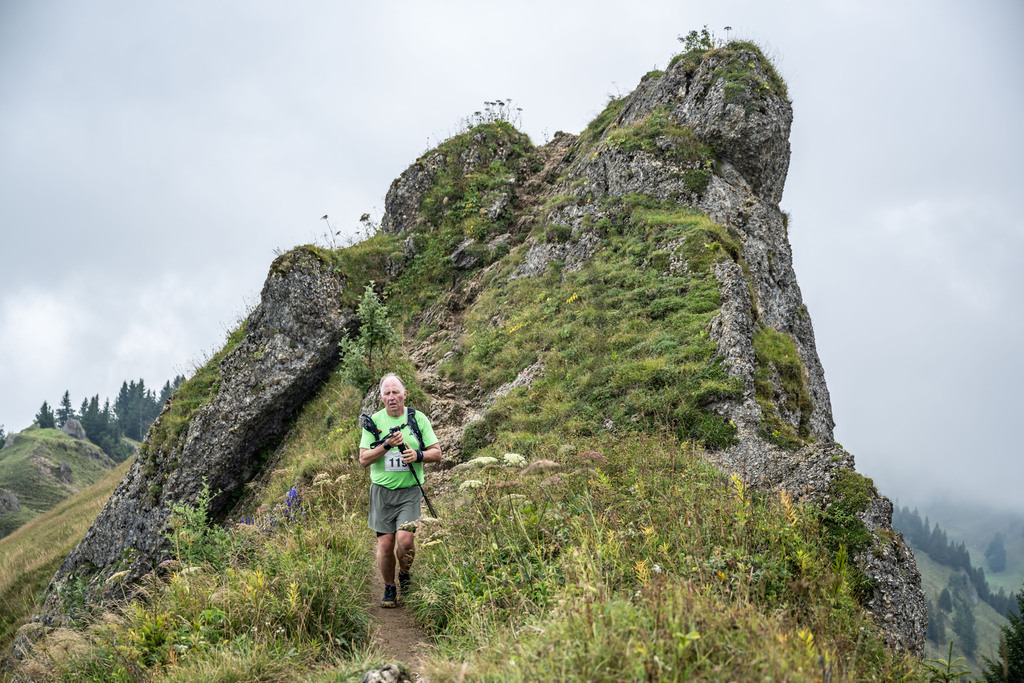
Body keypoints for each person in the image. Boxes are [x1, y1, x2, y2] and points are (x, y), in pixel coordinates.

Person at [359, 373, 442, 608]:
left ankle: (404, 574)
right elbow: (363, 460)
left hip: (409, 492)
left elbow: (437, 452)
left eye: (396, 392)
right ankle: (389, 587)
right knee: (385, 545)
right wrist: (386, 445)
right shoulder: (373, 422)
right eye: (387, 393)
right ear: (381, 398)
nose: (392, 397)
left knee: (405, 542)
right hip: (382, 492)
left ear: (405, 394)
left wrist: (418, 455)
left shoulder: (418, 419)